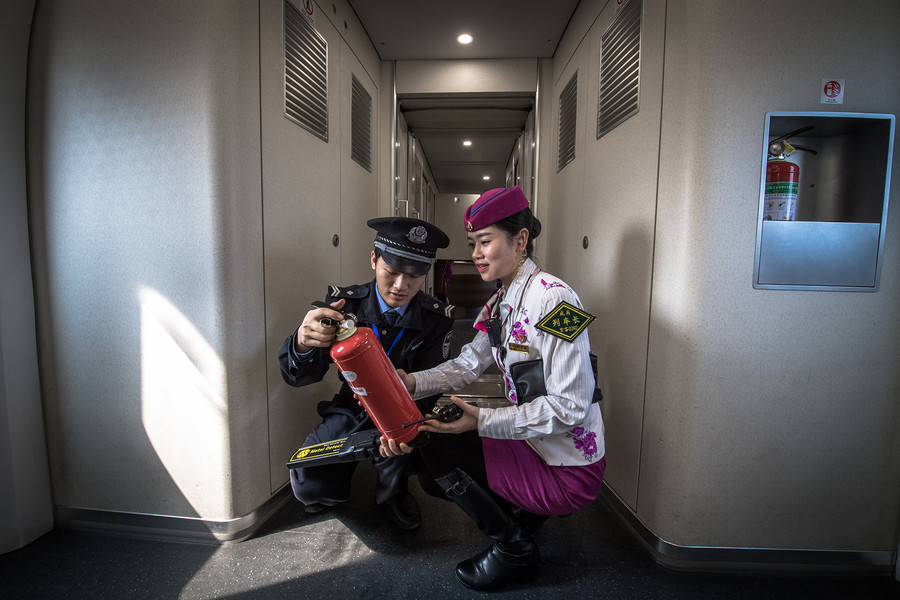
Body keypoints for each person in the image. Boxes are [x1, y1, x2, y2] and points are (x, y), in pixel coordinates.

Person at [381, 186, 606, 591]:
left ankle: (514, 548)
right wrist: (412, 382)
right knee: (435, 440)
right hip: (538, 444)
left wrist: (482, 420)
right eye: (473, 244)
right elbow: (469, 365)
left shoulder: (557, 300)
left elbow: (571, 409)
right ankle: (526, 518)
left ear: (520, 240)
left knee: (436, 446)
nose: (476, 253)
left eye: (486, 241)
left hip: (567, 465)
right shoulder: (501, 300)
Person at [279, 217, 455, 530]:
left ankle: (393, 491)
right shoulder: (345, 305)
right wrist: (302, 343)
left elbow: (432, 387)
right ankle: (334, 483)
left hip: (405, 407)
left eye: (415, 274)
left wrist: (405, 431)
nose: (401, 285)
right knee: (311, 488)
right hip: (352, 403)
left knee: (407, 449)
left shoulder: (436, 319)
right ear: (374, 259)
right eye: (392, 271)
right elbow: (299, 377)